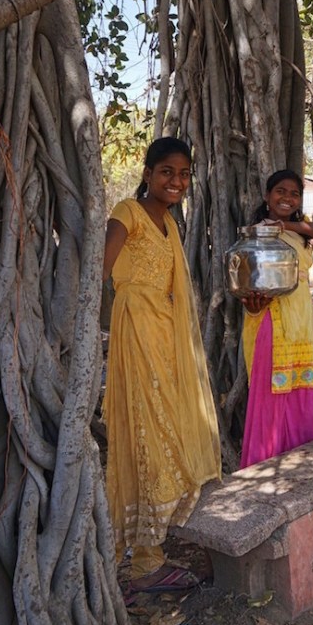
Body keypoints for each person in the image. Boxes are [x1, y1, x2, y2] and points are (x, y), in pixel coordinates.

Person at [102, 137, 221, 599]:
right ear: (148, 173)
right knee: (147, 432)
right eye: (167, 171)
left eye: (184, 174)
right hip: (137, 336)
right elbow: (101, 268)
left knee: (170, 427)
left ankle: (149, 553)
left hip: (168, 340)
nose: (177, 181)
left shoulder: (169, 221)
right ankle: (140, 560)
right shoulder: (127, 212)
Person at [240, 170, 313, 468]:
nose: (287, 197)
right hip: (272, 319)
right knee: (272, 395)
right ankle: (265, 465)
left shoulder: (298, 232)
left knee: (301, 395)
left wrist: (289, 224)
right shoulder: (259, 231)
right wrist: (253, 307)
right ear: (267, 196)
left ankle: (300, 462)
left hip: (300, 323)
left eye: (294, 194)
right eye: (280, 191)